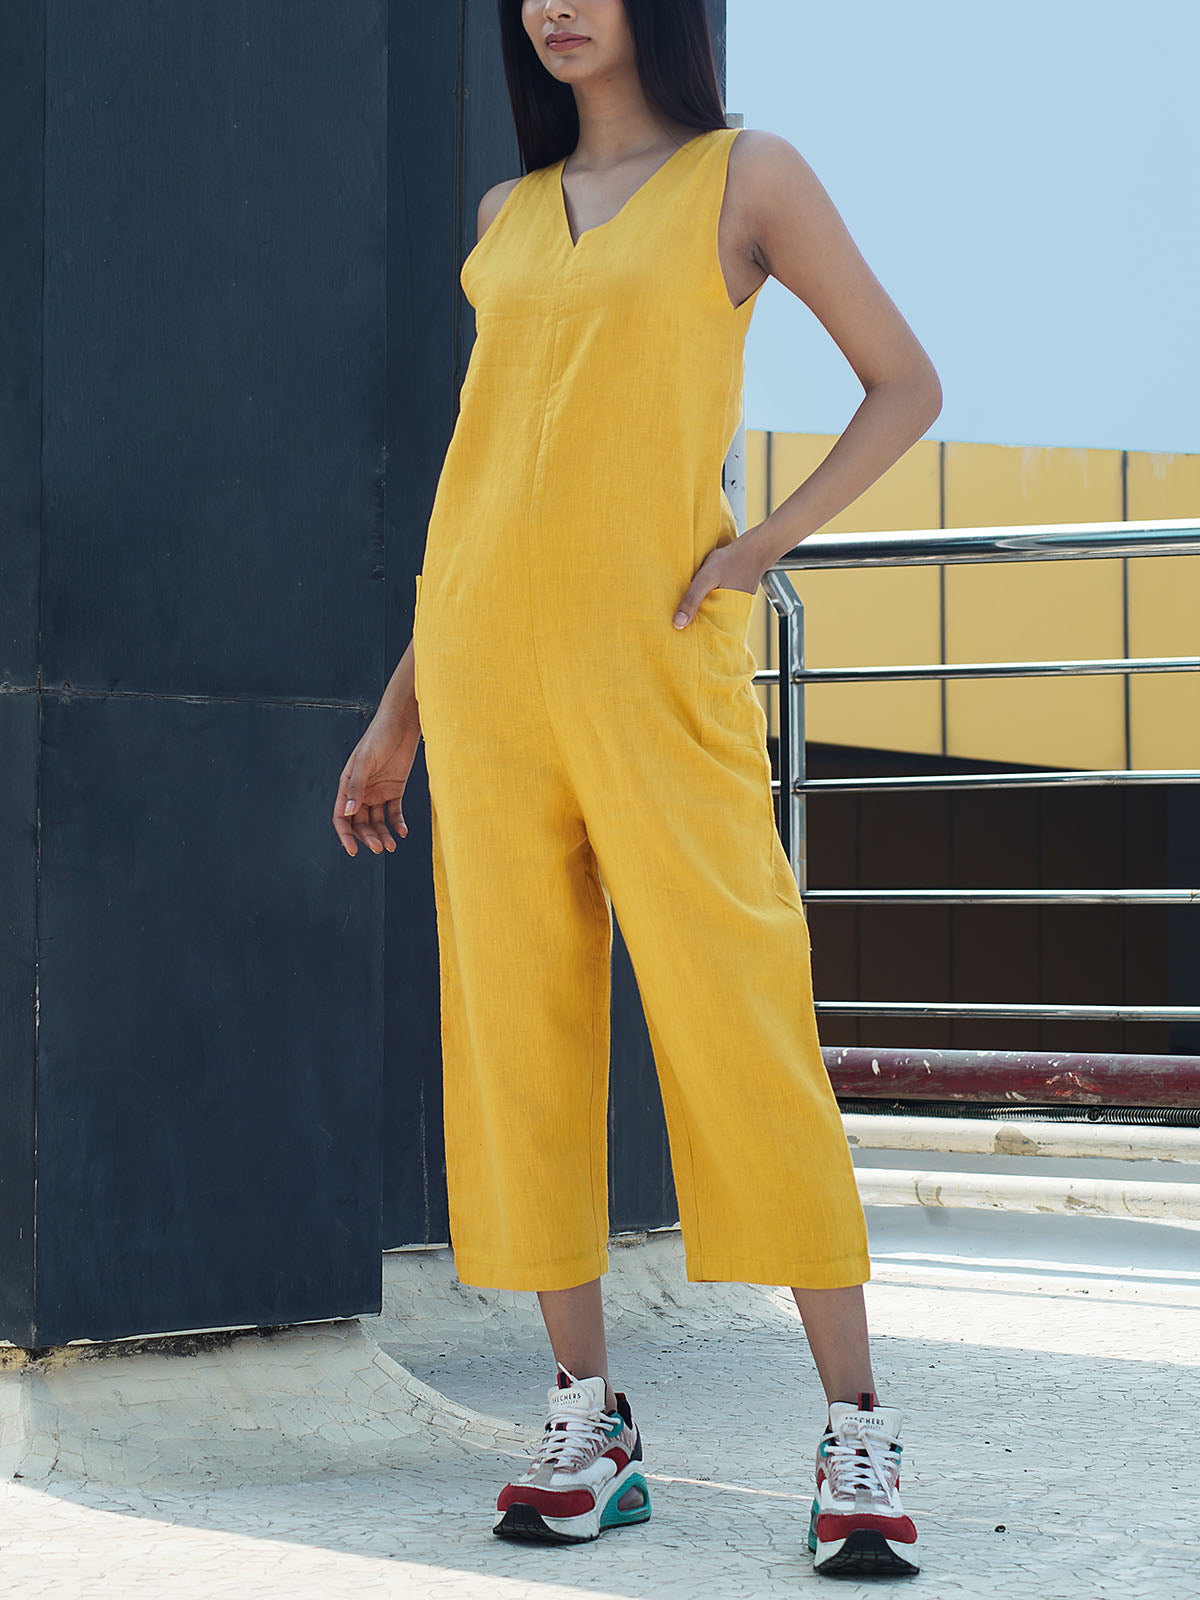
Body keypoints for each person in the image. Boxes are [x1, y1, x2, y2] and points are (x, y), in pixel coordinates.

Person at [333, 0, 940, 1577]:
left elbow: (903, 384)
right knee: (519, 1035)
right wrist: (398, 711)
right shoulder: (507, 216)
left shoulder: (748, 178)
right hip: (485, 677)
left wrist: (757, 549)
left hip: (659, 672)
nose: (554, 6)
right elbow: (482, 481)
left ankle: (857, 1424)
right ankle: (585, 1419)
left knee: (742, 1020)